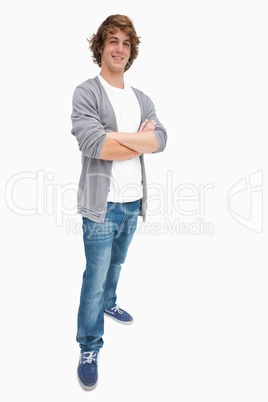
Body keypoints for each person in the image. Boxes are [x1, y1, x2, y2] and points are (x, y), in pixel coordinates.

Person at [71, 14, 167, 391]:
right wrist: (134, 138)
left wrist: (117, 137)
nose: (119, 48)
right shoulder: (87, 92)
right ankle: (89, 345)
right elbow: (95, 144)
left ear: (132, 51)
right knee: (93, 278)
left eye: (126, 43)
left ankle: (111, 302)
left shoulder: (142, 98)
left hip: (132, 201)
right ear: (100, 47)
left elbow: (161, 140)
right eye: (112, 41)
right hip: (101, 205)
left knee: (118, 263)